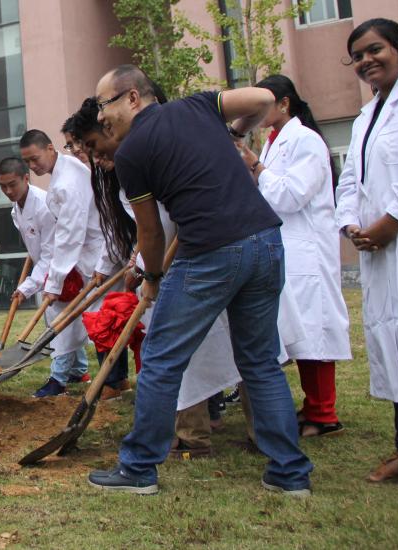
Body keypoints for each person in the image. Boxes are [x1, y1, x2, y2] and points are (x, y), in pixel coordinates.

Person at [86, 65, 312, 496]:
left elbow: (151, 233)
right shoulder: (200, 105)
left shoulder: (130, 153)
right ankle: (289, 473)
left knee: (161, 359)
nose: (100, 117)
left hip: (210, 252)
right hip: (265, 241)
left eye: (103, 104)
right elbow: (264, 99)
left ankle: (138, 468)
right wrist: (236, 133)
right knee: (260, 362)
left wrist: (152, 278)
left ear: (132, 98)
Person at [72, 99, 241, 460]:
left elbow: (167, 223)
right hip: (178, 261)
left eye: (94, 145)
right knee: (186, 351)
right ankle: (192, 429)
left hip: (199, 257)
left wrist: (153, 272)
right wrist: (139, 261)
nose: (94, 158)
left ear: (110, 128)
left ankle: (192, 434)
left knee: (186, 350)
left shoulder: (146, 155)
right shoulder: (122, 170)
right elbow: (145, 228)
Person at [335, 19, 398, 489]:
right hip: (379, 250)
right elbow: (350, 180)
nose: (366, 61)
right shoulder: (364, 118)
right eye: (357, 56)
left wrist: (390, 223)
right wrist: (351, 224)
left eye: (374, 50)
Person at [236, 74, 353, 438]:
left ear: (284, 104)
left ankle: (325, 413)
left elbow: (291, 195)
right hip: (287, 247)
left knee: (316, 331)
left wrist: (256, 167)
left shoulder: (306, 141)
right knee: (301, 333)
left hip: (308, 251)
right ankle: (313, 406)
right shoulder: (275, 142)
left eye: (264, 105)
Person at [19, 129, 103, 398]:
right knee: (89, 319)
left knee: (100, 319)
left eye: (35, 158)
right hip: (81, 257)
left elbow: (69, 235)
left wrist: (54, 282)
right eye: (27, 162)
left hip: (92, 256)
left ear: (50, 148)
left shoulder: (67, 181)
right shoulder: (63, 169)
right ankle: (88, 374)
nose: (32, 166)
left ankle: (107, 380)